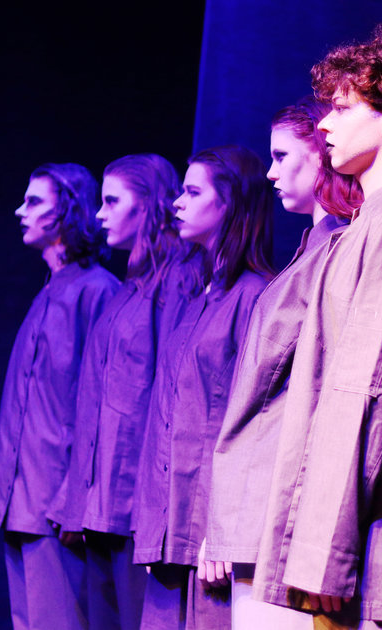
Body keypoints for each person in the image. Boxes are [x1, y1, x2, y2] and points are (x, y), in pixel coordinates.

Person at [253, 21, 382, 629]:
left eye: (341, 108)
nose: (326, 125)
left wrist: (326, 550)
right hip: (340, 539)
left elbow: (369, 395)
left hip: (357, 548)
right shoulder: (370, 224)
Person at [200, 97, 361, 629]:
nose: (270, 173)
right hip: (258, 508)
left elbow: (321, 400)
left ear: (321, 154)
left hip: (280, 513)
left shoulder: (340, 247)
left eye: (282, 156)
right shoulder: (311, 248)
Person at [47, 154, 193, 630]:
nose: (99, 214)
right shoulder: (125, 290)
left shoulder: (178, 283)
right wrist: (77, 500)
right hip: (101, 506)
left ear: (147, 206)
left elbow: (169, 398)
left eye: (112, 202)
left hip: (137, 507)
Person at [132, 145, 274, 630]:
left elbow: (254, 427)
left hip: (211, 546)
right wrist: (156, 525)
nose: (178, 202)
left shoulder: (255, 296)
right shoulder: (198, 297)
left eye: (193, 192)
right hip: (170, 536)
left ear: (229, 203)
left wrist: (224, 527)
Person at [0, 162, 120, 630]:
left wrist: (71, 495)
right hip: (21, 500)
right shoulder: (48, 291)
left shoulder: (97, 291)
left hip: (55, 506)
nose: (20, 211)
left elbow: (100, 403)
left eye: (34, 202)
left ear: (66, 212)